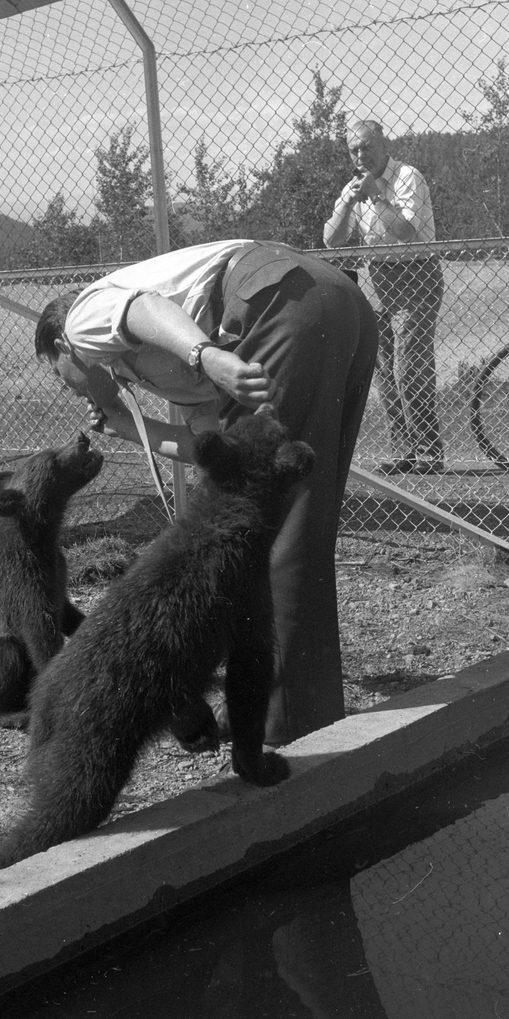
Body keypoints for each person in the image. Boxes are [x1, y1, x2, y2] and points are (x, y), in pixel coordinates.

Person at [34, 238, 378, 745]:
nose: (71, 386)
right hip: (337, 300)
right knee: (300, 516)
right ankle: (304, 716)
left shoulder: (80, 318)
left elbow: (143, 308)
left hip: (274, 299)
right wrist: (131, 427)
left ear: (62, 348)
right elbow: (213, 449)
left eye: (60, 374)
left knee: (266, 534)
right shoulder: (154, 368)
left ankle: (284, 729)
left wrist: (209, 357)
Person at [323, 119, 445, 475]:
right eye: (354, 149)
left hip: (416, 273)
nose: (360, 155)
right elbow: (332, 239)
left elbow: (407, 231)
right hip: (377, 279)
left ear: (383, 144)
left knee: (408, 366)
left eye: (366, 147)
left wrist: (377, 194)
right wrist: (348, 204)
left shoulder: (407, 177)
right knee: (383, 368)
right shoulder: (352, 187)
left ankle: (429, 450)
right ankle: (404, 450)